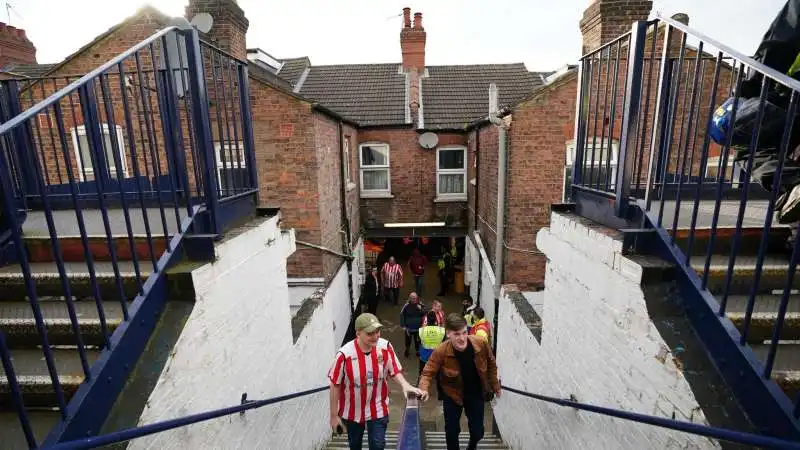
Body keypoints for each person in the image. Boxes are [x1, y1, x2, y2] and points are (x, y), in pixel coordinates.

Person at [328, 313, 424, 450]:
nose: (376, 336)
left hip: (378, 407)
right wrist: (333, 416)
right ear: (358, 333)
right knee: (355, 445)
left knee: (378, 445)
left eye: (377, 331)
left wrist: (405, 385)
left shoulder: (385, 347)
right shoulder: (344, 355)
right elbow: (335, 384)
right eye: (370, 333)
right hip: (352, 410)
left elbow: (394, 370)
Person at [418, 314, 501, 450]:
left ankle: (472, 446)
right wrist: (423, 388)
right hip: (452, 395)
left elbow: (491, 364)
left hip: (475, 394)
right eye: (457, 334)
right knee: (451, 432)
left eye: (464, 333)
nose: (462, 338)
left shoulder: (480, 344)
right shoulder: (441, 351)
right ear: (448, 333)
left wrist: (495, 385)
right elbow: (427, 372)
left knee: (477, 432)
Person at [418, 311, 446, 380]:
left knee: (422, 371)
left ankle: (420, 381)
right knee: (438, 371)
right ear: (436, 320)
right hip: (436, 354)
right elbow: (443, 341)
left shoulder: (422, 330)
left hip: (424, 354)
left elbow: (419, 341)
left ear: (427, 319)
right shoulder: (441, 330)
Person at [399, 292, 426, 358]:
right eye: (412, 298)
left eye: (415, 298)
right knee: (408, 340)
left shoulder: (420, 305)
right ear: (409, 298)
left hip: (418, 328)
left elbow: (425, 313)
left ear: (417, 298)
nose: (414, 299)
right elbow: (402, 315)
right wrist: (403, 325)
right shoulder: (406, 306)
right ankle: (407, 349)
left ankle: (418, 351)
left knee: (418, 341)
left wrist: (420, 309)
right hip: (409, 328)